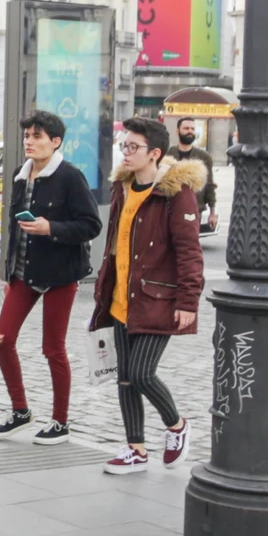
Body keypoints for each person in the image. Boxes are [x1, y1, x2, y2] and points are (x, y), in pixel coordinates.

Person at [88, 116, 203, 475]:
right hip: (122, 297)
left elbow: (189, 251)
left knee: (140, 373)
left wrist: (188, 301)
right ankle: (135, 449)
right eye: (124, 145)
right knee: (124, 377)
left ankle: (177, 426)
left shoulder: (174, 193)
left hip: (157, 300)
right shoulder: (123, 188)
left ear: (154, 153)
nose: (126, 152)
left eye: (133, 147)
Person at [0, 109, 101, 445]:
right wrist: (10, 270)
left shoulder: (70, 176)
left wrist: (50, 228)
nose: (29, 142)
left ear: (55, 142)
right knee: (2, 339)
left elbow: (91, 225)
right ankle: (20, 410)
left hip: (60, 274)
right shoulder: (20, 176)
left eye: (37, 137)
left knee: (53, 349)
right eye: (27, 136)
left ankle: (60, 422)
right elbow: (14, 228)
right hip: (23, 273)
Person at [167, 116, 220, 233]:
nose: (190, 131)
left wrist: (212, 213)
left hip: (195, 210)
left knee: (189, 245)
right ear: (178, 131)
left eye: (192, 128)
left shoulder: (204, 157)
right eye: (186, 128)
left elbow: (210, 185)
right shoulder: (168, 155)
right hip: (169, 209)